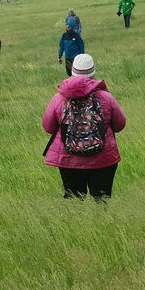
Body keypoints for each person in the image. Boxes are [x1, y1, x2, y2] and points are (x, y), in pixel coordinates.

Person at [41, 53, 126, 199]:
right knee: (102, 201)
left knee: (73, 200)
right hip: (102, 158)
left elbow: (48, 127)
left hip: (68, 159)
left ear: (72, 72)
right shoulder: (106, 97)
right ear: (93, 73)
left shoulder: (58, 98)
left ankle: (76, 214)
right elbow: (119, 125)